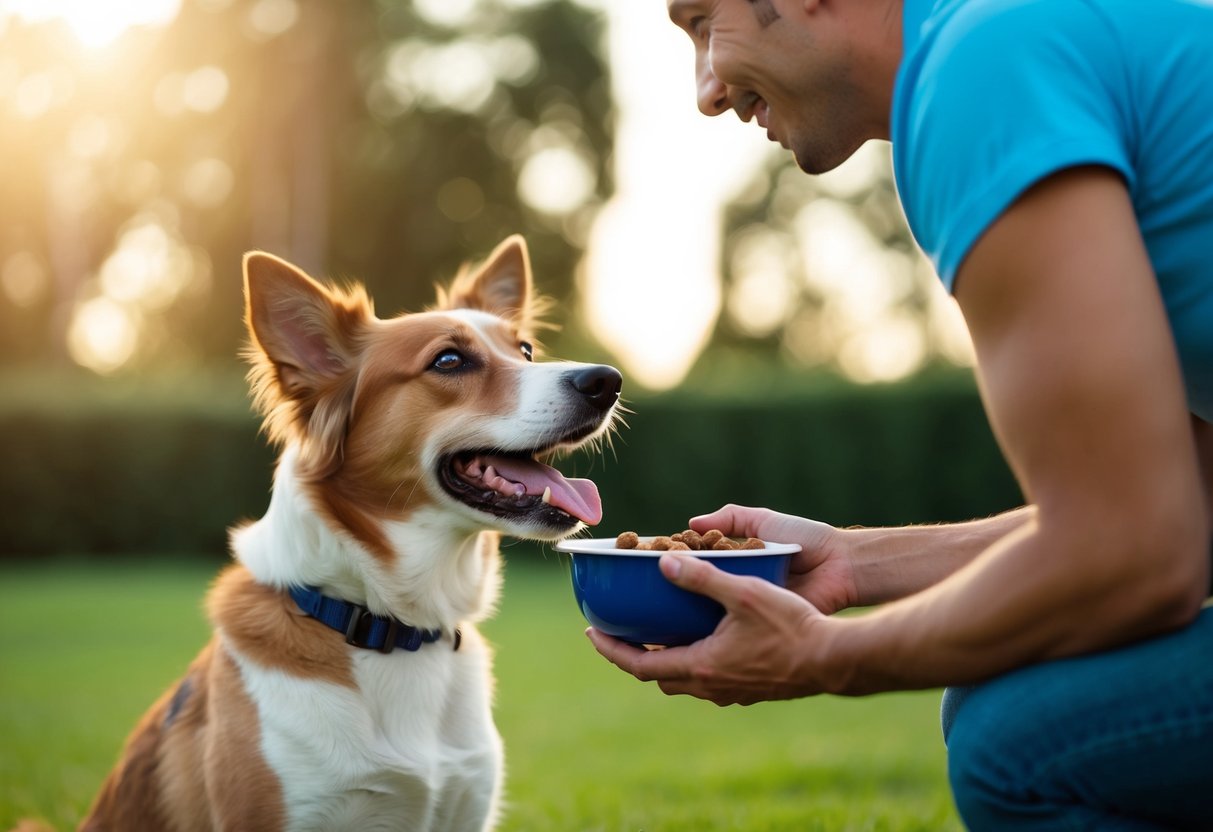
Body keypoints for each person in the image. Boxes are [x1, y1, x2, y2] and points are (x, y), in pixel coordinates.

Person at [588, 0, 1213, 827]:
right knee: (996, 704)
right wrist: (855, 562)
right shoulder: (1014, 35)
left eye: (703, 21)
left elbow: (1134, 553)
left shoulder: (980, 72)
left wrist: (824, 657)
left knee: (1017, 741)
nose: (704, 90)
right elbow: (1180, 511)